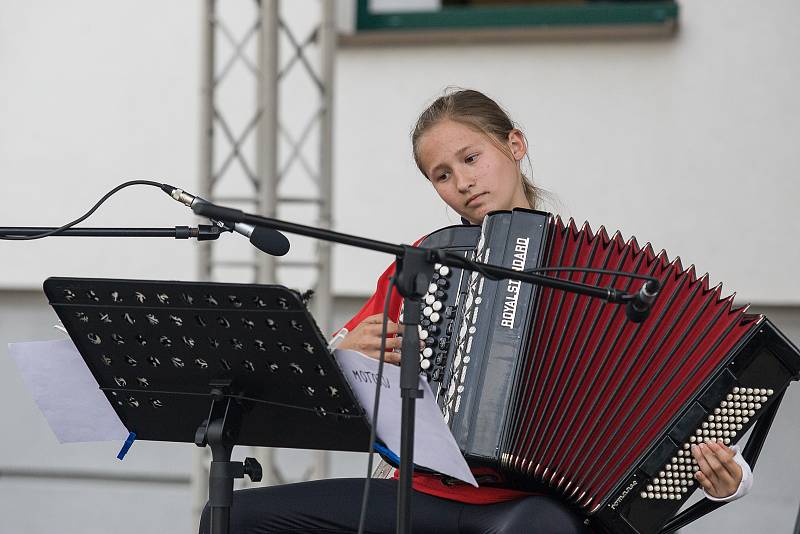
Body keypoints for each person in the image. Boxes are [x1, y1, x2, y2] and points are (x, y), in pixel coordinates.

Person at [199, 89, 752, 534]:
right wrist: (343, 351)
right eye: (441, 174)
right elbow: (330, 382)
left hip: (528, 505)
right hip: (418, 494)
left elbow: (673, 391)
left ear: (514, 144)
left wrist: (731, 477)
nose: (462, 182)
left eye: (471, 158)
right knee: (237, 517)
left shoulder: (604, 277)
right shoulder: (424, 266)